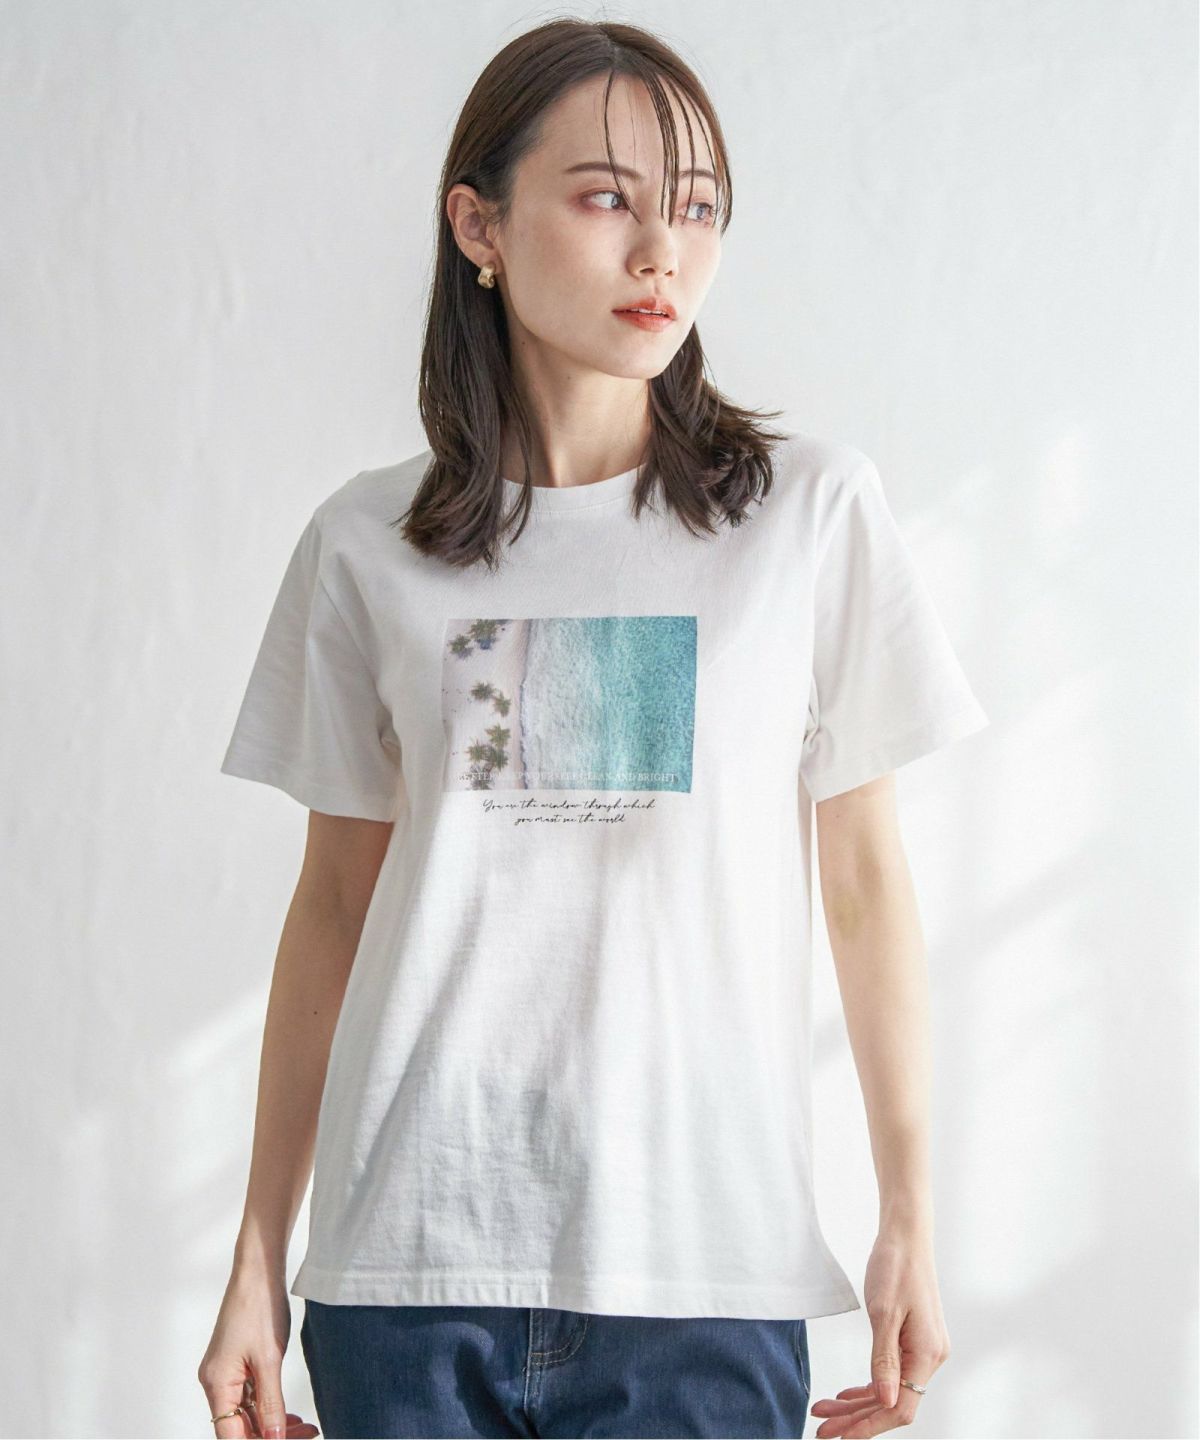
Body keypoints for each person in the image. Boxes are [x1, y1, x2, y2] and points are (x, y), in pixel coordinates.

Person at [197, 18, 988, 1440]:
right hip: (405, 1283)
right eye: (608, 197)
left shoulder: (805, 519)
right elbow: (333, 909)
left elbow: (867, 886)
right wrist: (257, 1256)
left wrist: (909, 1217)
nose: (662, 252)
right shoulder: (366, 543)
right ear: (479, 226)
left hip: (703, 1277)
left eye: (698, 206)